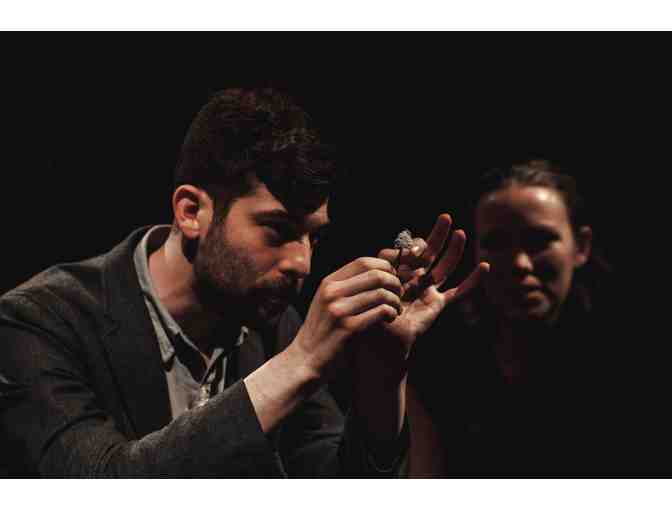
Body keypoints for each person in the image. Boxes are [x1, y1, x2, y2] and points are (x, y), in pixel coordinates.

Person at [0, 87, 486, 477]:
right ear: (191, 212)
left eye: (313, 238)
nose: (302, 263)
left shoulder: (272, 323)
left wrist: (384, 372)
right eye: (276, 230)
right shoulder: (38, 322)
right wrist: (303, 360)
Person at [407, 159, 634, 476]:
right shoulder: (442, 367)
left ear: (581, 246)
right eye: (497, 243)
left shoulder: (630, 364)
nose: (520, 263)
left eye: (539, 241)